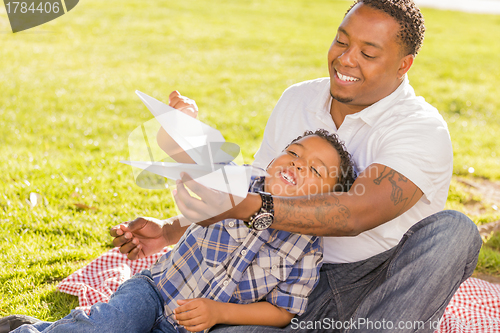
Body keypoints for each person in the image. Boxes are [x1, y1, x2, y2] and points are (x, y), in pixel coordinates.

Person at [114, 1, 482, 332]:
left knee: (456, 231)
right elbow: (255, 187)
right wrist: (170, 231)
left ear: (404, 65)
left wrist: (249, 208)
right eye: (341, 41)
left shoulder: (420, 128)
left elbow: (353, 213)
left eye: (368, 53)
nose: (346, 59)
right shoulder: (298, 99)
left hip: (379, 282)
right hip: (281, 280)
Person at [1, 130, 357, 333]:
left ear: (326, 199)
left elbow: (282, 311)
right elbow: (199, 188)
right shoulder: (240, 179)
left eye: (315, 169)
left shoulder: (307, 249)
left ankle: (32, 326)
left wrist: (220, 313)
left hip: (192, 328)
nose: (297, 162)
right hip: (155, 292)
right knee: (110, 326)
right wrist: (167, 229)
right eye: (294, 151)